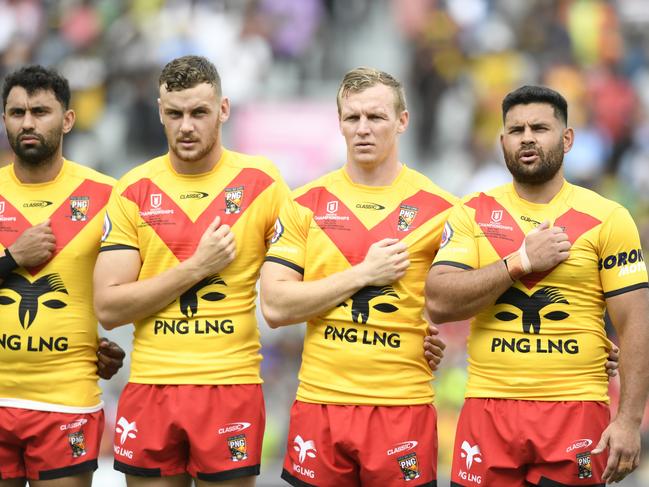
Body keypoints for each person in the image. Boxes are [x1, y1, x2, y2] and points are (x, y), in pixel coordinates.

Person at [425, 85, 649, 486]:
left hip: (575, 410)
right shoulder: (472, 212)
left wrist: (629, 420)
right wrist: (519, 263)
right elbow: (439, 301)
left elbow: (635, 323)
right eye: (516, 130)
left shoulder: (608, 218)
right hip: (487, 410)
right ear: (502, 141)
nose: (527, 137)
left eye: (540, 127)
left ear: (567, 139)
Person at [92, 55, 290, 487]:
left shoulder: (263, 182)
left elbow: (306, 277)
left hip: (230, 387)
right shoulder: (134, 189)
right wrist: (197, 267)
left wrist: (409, 332)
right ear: (159, 112)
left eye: (199, 112)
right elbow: (109, 307)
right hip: (152, 386)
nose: (186, 126)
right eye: (175, 113)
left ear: (223, 110)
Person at [259, 67, 454, 487]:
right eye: (352, 118)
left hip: (402, 408)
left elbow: (473, 292)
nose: (363, 129)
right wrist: (365, 273)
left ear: (402, 121)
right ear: (340, 123)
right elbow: (275, 306)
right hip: (321, 405)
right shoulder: (304, 204)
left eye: (376, 117)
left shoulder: (443, 209)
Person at [0, 65, 125, 487]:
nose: (28, 122)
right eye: (17, 113)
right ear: (4, 119)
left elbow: (130, 285)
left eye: (40, 111)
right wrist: (13, 256)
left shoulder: (108, 195)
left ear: (68, 120)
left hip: (66, 397)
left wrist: (107, 345)